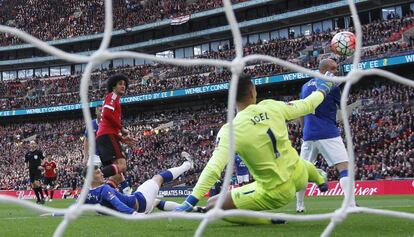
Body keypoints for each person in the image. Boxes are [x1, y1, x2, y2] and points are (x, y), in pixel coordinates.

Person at [175, 74, 332, 224]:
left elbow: (213, 168)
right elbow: (308, 104)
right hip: (300, 174)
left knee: (213, 205)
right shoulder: (272, 106)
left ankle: (269, 219)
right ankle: (319, 179)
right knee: (300, 162)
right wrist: (322, 89)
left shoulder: (231, 130)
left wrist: (190, 201)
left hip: (276, 192)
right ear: (252, 91)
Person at [296, 59, 356, 212]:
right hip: (328, 132)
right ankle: (350, 204)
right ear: (325, 69)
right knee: (344, 167)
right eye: (334, 68)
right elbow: (342, 105)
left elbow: (301, 111)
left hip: (309, 134)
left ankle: (300, 205)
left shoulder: (305, 86)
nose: (336, 72)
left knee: (302, 172)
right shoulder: (332, 85)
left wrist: (305, 131)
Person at [85, 152, 196, 214]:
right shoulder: (105, 189)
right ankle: (187, 165)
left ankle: (194, 209)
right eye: (99, 173)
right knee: (158, 178)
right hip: (140, 201)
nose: (102, 174)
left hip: (138, 202)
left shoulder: (88, 194)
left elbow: (80, 205)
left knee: (156, 201)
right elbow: (119, 204)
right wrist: (134, 214)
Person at [96, 74, 136, 192]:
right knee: (122, 166)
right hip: (107, 135)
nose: (123, 86)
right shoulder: (113, 96)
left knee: (117, 174)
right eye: (120, 84)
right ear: (113, 86)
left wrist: (122, 139)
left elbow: (108, 124)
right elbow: (107, 114)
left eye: (124, 84)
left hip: (105, 136)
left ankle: (107, 196)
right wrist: (122, 129)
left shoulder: (113, 98)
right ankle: (92, 176)